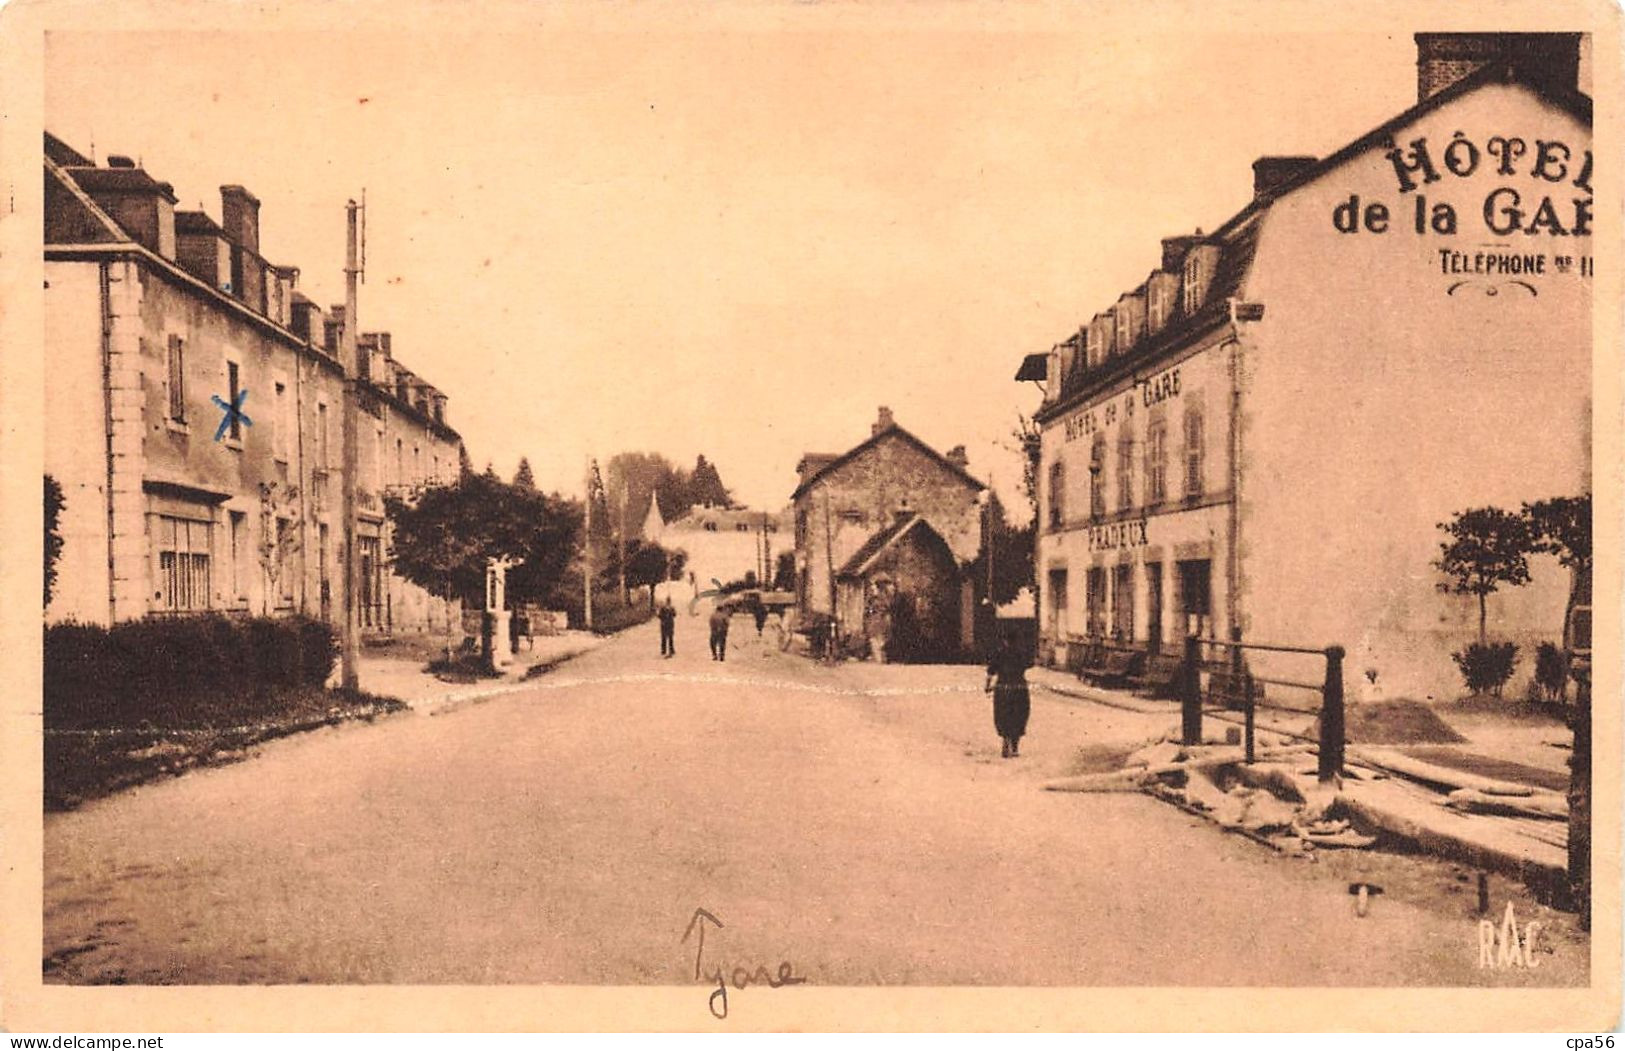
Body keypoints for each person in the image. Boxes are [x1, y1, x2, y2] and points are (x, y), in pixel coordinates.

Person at [984, 634, 1031, 759]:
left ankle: (1005, 739)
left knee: (1003, 714)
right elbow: (1028, 664)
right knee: (1019, 715)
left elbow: (990, 672)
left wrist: (987, 686)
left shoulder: (1000, 653)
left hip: (1003, 687)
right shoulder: (1021, 653)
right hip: (1019, 687)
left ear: (1005, 641)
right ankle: (1015, 747)